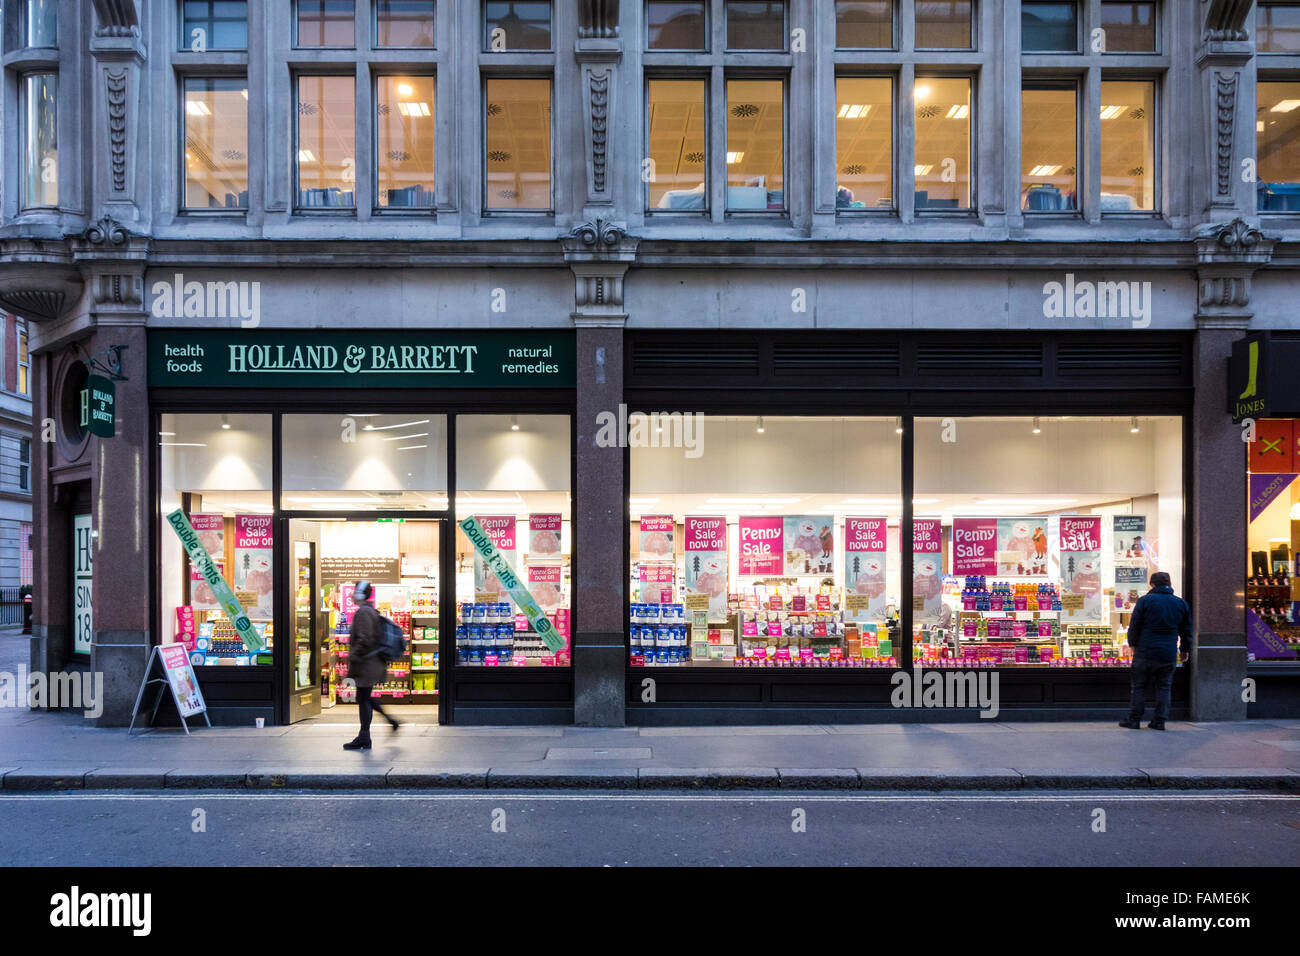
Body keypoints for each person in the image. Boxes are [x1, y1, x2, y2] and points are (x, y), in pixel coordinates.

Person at [1119, 571, 1192, 731]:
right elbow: (1187, 630)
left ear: (1152, 585)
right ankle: (1159, 721)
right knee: (1164, 687)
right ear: (1170, 584)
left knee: (1138, 686)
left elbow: (1135, 625)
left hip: (1145, 651)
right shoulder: (1180, 604)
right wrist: (1185, 650)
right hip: (1167, 653)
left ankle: (1134, 719)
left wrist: (1132, 644)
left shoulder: (1145, 601)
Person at [344, 581, 400, 750]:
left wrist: (352, 656)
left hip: (367, 664)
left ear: (360, 593)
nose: (352, 594)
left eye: (355, 591)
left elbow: (364, 639)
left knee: (364, 697)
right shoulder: (369, 611)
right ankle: (382, 726)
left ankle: (366, 736)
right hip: (370, 663)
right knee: (365, 697)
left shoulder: (363, 612)